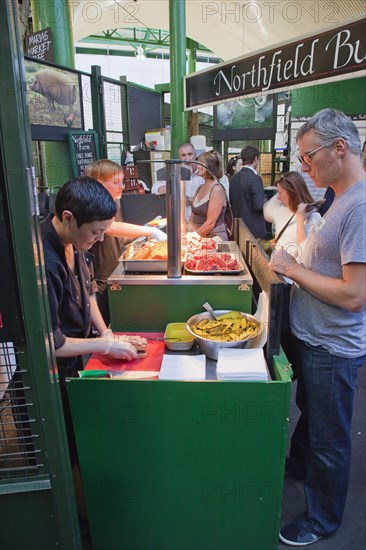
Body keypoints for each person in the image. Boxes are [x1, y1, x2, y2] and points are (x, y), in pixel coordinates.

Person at [269, 109, 366, 547]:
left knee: (330, 438)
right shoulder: (338, 199)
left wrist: (292, 267)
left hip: (332, 344)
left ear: (339, 149)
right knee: (312, 418)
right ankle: (301, 466)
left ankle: (322, 519)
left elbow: (353, 295)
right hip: (313, 337)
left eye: (309, 157)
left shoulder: (360, 206)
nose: (305, 167)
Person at [41, 177, 140, 462]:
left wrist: (105, 332)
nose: (99, 239)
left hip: (79, 355)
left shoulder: (76, 244)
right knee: (70, 448)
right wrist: (103, 346)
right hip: (55, 374)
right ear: (69, 219)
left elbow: (89, 293)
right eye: (96, 232)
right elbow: (53, 343)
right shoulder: (46, 265)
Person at [84, 160, 166, 325]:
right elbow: (110, 228)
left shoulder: (114, 202)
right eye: (116, 182)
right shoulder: (91, 204)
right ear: (98, 184)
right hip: (100, 280)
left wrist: (143, 230)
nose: (122, 186)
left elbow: (118, 237)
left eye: (122, 181)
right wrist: (149, 231)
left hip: (114, 273)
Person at [263, 171, 321, 258]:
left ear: (292, 193)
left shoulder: (314, 217)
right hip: (276, 266)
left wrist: (300, 221)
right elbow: (267, 211)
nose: (278, 197)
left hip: (291, 269)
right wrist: (282, 184)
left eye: (280, 193)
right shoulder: (283, 210)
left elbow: (306, 255)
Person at [151, 141, 204, 220]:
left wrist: (196, 201)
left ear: (195, 155)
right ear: (179, 158)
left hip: (199, 221)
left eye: (190, 154)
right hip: (180, 221)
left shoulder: (203, 172)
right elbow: (155, 188)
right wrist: (175, 189)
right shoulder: (173, 172)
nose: (187, 158)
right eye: (183, 155)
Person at [187, 150, 229, 240]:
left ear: (210, 167)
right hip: (199, 236)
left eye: (201, 163)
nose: (197, 166)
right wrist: (188, 231)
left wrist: (193, 239)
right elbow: (193, 216)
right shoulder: (199, 188)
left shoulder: (216, 189)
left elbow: (210, 223)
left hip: (214, 238)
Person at [229, 145, 267, 238]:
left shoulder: (233, 178)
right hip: (253, 230)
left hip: (237, 228)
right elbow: (258, 205)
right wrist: (266, 202)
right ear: (256, 158)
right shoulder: (255, 179)